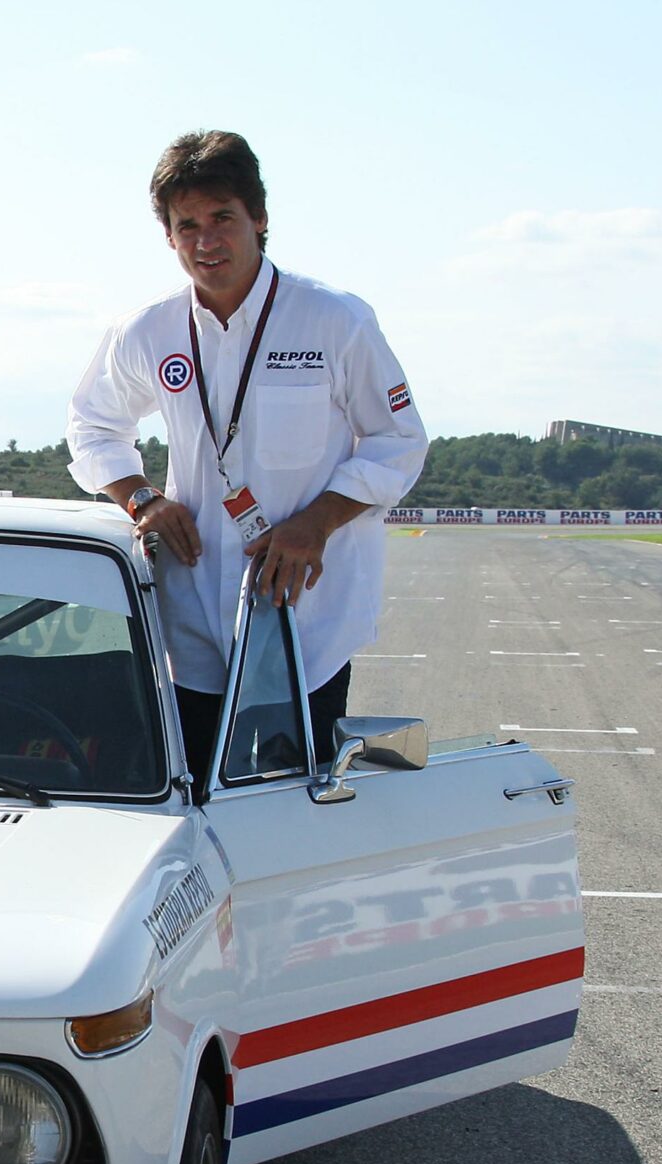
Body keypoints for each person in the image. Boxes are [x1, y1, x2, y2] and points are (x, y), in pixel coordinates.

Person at [67, 129, 427, 789]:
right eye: (187, 226)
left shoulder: (335, 320)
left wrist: (315, 523)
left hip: (305, 622)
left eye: (222, 219)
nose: (206, 241)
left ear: (260, 219)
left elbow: (398, 441)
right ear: (169, 238)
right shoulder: (147, 331)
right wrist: (140, 497)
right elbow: (91, 423)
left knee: (293, 807)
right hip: (193, 614)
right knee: (194, 800)